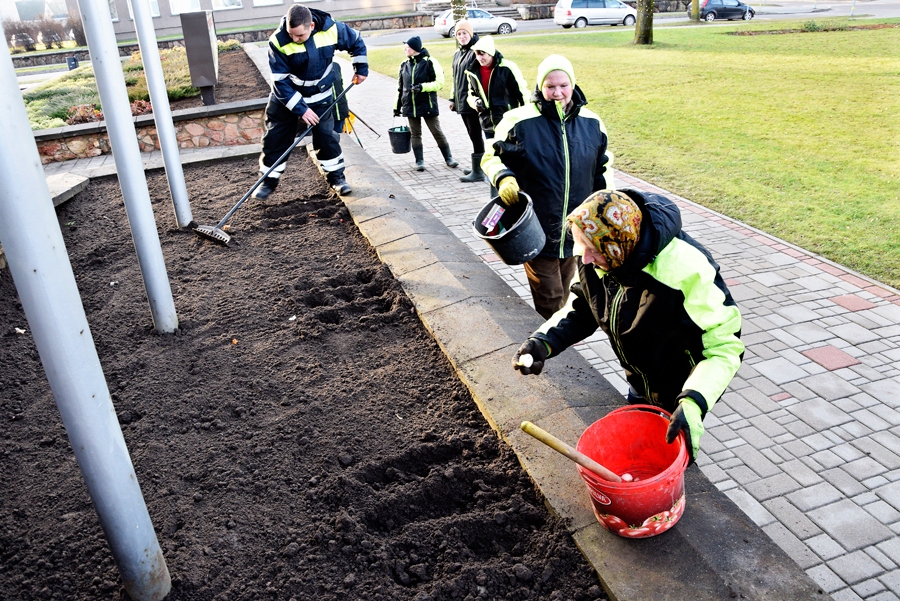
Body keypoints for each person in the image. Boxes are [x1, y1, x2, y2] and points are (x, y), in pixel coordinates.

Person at [512, 189, 745, 464]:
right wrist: (542, 342)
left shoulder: (688, 271)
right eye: (579, 246)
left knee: (670, 460)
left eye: (592, 250)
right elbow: (584, 307)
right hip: (638, 381)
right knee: (640, 451)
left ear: (617, 243)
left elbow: (723, 348)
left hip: (680, 392)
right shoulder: (597, 256)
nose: (584, 259)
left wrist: (694, 403)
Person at [482, 54, 614, 319]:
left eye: (563, 85)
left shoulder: (592, 123)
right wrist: (504, 178)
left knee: (564, 291)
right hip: (534, 228)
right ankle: (549, 348)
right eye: (549, 86)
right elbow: (491, 156)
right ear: (540, 87)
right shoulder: (518, 121)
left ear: (573, 84)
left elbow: (603, 170)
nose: (557, 92)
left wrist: (605, 210)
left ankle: (552, 339)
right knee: (551, 297)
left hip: (576, 230)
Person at [253, 4, 367, 200]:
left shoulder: (332, 30)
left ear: (312, 26)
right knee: (276, 138)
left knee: (327, 138)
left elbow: (356, 41)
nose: (294, 39)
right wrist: (301, 110)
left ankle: (337, 179)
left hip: (320, 96)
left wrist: (361, 68)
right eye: (291, 35)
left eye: (299, 36)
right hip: (286, 99)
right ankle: (268, 181)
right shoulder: (277, 41)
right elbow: (280, 82)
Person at [463, 35, 528, 195]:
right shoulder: (472, 72)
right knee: (493, 159)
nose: (479, 57)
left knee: (510, 158)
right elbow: (470, 94)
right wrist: (475, 102)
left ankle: (516, 192)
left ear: (491, 53)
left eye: (482, 54)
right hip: (487, 123)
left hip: (508, 123)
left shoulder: (507, 68)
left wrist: (527, 117)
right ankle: (495, 196)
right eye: (477, 54)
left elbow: (522, 92)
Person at [393, 36, 458, 172]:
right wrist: (396, 106)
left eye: (408, 46)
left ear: (415, 48)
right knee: (415, 134)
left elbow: (440, 83)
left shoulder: (430, 62)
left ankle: (448, 158)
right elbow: (400, 87)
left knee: (437, 132)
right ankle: (419, 161)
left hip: (427, 104)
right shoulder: (404, 64)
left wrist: (422, 87)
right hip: (410, 105)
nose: (405, 49)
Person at [448, 20, 486, 183]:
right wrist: (452, 97)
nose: (462, 36)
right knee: (472, 134)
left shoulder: (476, 51)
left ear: (471, 34)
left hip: (472, 101)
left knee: (476, 134)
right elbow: (456, 79)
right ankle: (478, 167)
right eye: (459, 34)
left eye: (464, 33)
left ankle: (479, 171)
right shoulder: (458, 53)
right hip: (461, 100)